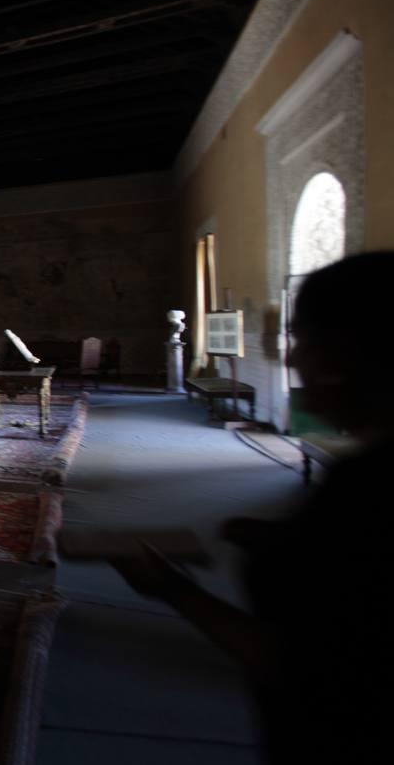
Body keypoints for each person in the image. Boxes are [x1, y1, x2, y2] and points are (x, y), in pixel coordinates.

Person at [112, 251, 394, 764]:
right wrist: (270, 539)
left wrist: (171, 588)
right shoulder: (365, 480)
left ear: (354, 353)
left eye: (303, 340)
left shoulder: (367, 489)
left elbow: (300, 666)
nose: (291, 361)